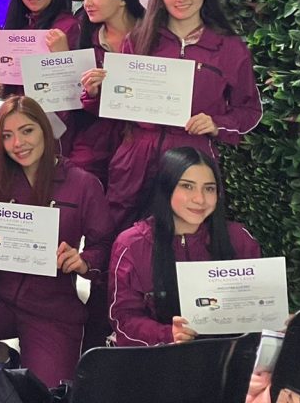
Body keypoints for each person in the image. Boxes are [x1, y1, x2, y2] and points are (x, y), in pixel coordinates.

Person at [0, 96, 113, 388]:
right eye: (7, 135)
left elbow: (104, 243)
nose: (18, 143)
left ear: (44, 129)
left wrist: (84, 262)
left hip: (52, 304)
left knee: (49, 392)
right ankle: (5, 357)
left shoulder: (83, 184)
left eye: (27, 130)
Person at [103, 0, 261, 229]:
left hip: (192, 160)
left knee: (188, 239)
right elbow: (119, 104)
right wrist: (100, 90)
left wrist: (216, 124)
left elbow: (250, 111)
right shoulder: (138, 39)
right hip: (135, 159)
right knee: (122, 236)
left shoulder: (230, 48)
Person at [108, 147, 261, 346]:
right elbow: (123, 318)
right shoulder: (131, 244)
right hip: (158, 357)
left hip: (228, 356)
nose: (200, 199)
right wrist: (167, 334)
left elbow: (257, 305)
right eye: (187, 186)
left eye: (209, 188)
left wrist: (274, 318)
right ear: (166, 187)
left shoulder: (239, 238)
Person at [71, 0, 145, 187]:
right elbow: (86, 108)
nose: (87, 3)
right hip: (98, 140)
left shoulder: (154, 37)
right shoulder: (86, 38)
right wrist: (93, 94)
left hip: (144, 138)